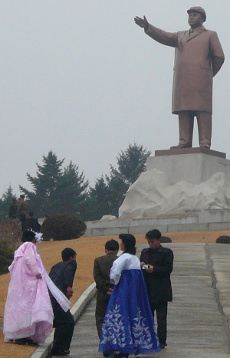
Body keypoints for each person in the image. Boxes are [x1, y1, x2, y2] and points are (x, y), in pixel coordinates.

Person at [134, 7, 225, 149]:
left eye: (194, 15)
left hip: (201, 81)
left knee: (202, 111)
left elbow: (219, 56)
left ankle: (204, 142)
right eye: (189, 15)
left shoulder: (210, 35)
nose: (191, 17)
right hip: (183, 81)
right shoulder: (180, 36)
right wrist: (148, 27)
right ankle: (184, 141)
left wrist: (209, 73)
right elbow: (164, 36)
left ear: (202, 18)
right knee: (184, 109)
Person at [99, 234, 160, 358]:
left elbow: (115, 274)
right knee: (132, 316)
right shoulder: (134, 258)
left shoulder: (123, 258)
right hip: (134, 293)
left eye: (121, 241)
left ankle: (120, 346)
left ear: (124, 244)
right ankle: (131, 345)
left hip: (122, 290)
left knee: (118, 316)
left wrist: (114, 283)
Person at [3, 230, 53, 345]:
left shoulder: (19, 250)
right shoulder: (29, 245)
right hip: (29, 283)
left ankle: (20, 334)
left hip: (20, 284)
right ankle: (29, 334)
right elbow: (29, 259)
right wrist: (36, 272)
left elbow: (12, 267)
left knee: (20, 307)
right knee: (30, 306)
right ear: (33, 239)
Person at [140, 229, 174, 349]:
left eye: (153, 241)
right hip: (147, 290)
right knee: (147, 317)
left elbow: (168, 269)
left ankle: (162, 341)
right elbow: (141, 266)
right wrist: (144, 266)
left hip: (161, 290)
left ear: (158, 240)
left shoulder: (166, 253)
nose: (151, 244)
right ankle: (148, 338)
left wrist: (154, 269)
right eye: (149, 242)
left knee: (161, 319)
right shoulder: (144, 252)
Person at [49, 248, 77, 356]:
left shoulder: (55, 266)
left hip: (51, 297)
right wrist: (69, 285)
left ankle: (57, 347)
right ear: (72, 257)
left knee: (61, 323)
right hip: (59, 299)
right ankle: (61, 348)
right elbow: (69, 271)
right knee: (68, 322)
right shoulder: (71, 263)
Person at [93, 239, 119, 349]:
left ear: (105, 250)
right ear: (117, 250)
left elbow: (97, 278)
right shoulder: (120, 260)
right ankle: (116, 343)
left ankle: (105, 343)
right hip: (117, 294)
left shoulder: (98, 260)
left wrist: (105, 289)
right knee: (117, 318)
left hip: (103, 294)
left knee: (101, 318)